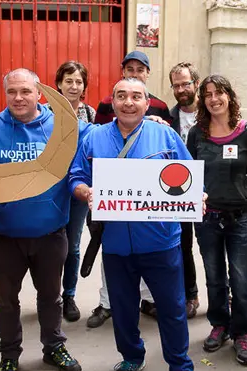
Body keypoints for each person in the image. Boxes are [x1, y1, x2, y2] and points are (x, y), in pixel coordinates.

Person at [70, 77, 196, 371]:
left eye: (136, 96)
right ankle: (131, 358)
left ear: (147, 102)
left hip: (161, 241)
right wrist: (85, 191)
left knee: (172, 309)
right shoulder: (94, 137)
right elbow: (77, 175)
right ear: (112, 102)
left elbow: (188, 175)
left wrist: (198, 194)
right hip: (115, 244)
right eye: (122, 96)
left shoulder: (165, 135)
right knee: (123, 309)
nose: (129, 102)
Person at [0, 68, 88, 371]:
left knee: (51, 297)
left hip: (50, 234)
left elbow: (104, 134)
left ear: (39, 93)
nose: (18, 98)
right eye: (12, 91)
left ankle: (53, 347)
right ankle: (9, 354)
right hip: (5, 235)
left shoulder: (63, 128)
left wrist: (150, 120)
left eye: (25, 91)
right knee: (6, 301)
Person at [87, 50, 168, 327]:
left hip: (148, 197)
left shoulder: (160, 106)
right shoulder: (107, 103)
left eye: (140, 69)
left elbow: (169, 152)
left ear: (147, 73)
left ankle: (148, 300)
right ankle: (107, 303)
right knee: (111, 251)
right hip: (112, 195)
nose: (134, 73)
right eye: (129, 69)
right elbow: (99, 139)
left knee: (147, 249)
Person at [187, 75, 247, 365]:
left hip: (240, 218)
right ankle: (219, 325)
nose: (213, 99)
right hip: (207, 218)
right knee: (215, 276)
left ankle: (241, 331)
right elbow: (189, 174)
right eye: (207, 94)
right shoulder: (197, 134)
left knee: (241, 279)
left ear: (229, 96)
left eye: (218, 93)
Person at [54, 60, 96, 322]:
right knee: (49, 245)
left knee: (73, 244)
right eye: (68, 81)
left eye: (78, 82)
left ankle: (69, 295)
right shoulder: (46, 112)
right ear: (59, 84)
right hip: (51, 188)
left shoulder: (90, 114)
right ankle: (50, 295)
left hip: (79, 189)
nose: (73, 86)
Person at [169, 61, 202, 318]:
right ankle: (191, 294)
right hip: (179, 190)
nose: (181, 89)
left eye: (185, 84)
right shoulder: (168, 118)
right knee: (183, 245)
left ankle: (225, 299)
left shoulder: (212, 113)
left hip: (210, 188)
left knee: (215, 248)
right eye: (176, 85)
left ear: (196, 84)